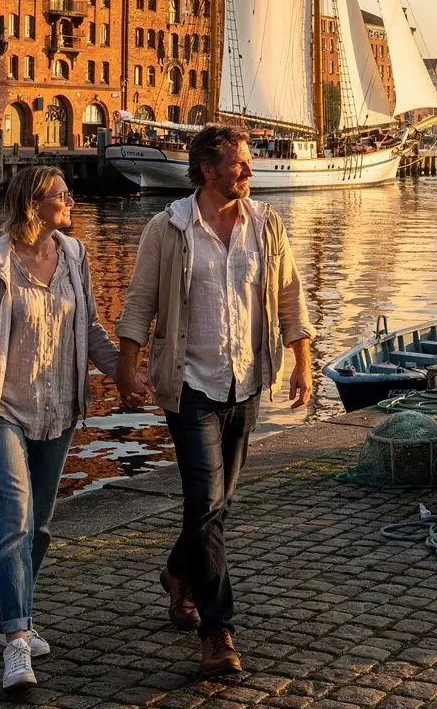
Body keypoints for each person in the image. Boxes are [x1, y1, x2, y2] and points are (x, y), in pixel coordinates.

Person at [115, 123, 314, 678]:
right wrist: (128, 368)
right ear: (207, 168)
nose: (248, 171)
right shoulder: (169, 228)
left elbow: (289, 294)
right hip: (190, 385)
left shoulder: (266, 226)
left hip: (247, 380)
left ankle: (179, 572)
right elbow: (139, 301)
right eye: (239, 164)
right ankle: (217, 629)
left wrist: (302, 361)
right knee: (206, 500)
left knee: (215, 505)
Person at [0, 166, 119, 690]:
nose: (70, 200)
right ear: (32, 204)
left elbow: (89, 328)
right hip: (1, 409)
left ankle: (16, 615)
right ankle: (16, 641)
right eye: (60, 194)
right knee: (14, 517)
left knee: (39, 524)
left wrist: (128, 372)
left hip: (58, 406)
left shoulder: (75, 257)